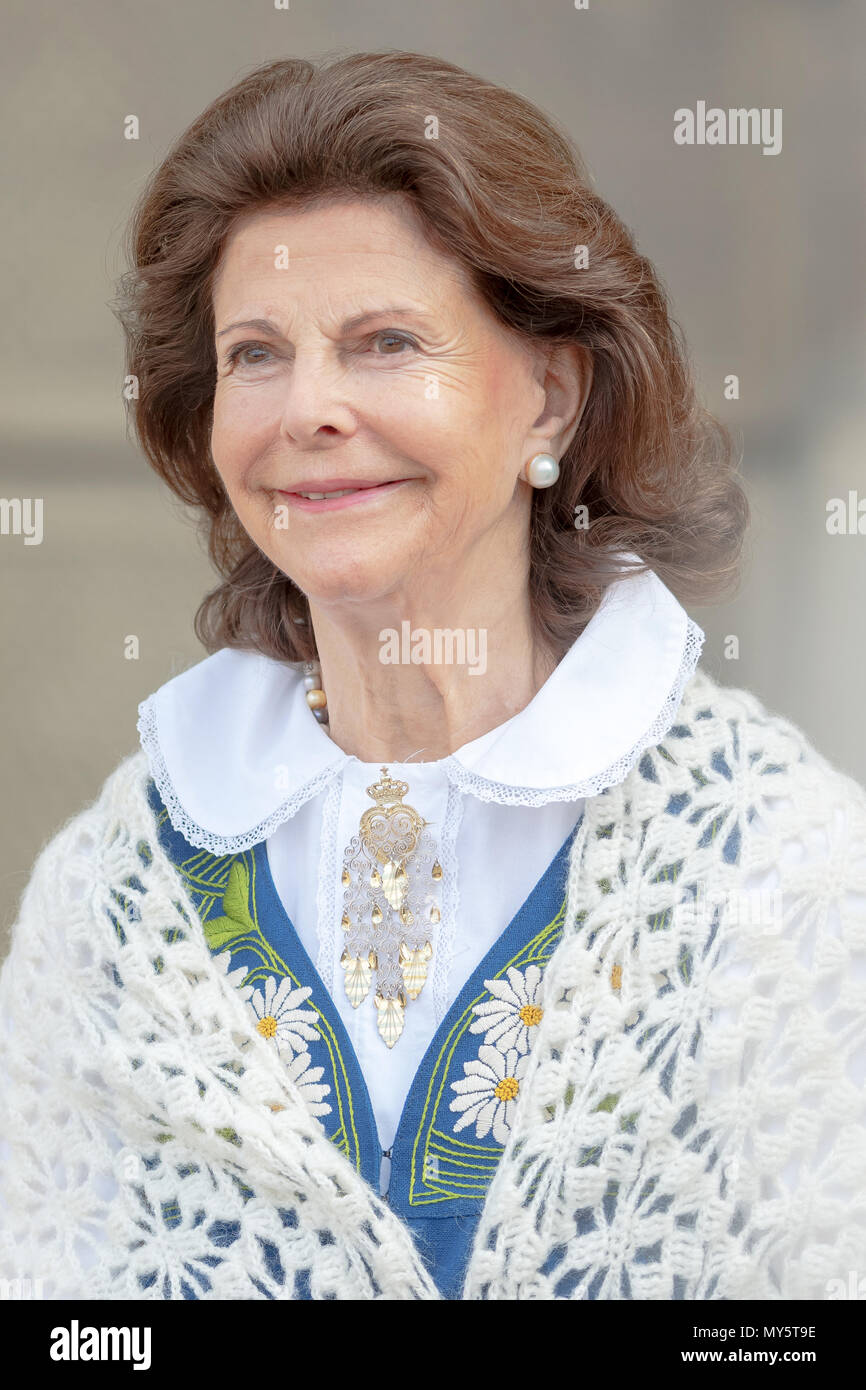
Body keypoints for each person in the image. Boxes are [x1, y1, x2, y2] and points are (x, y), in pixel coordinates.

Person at [1, 50, 864, 1302]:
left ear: (550, 400)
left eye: (385, 341)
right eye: (254, 354)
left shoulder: (786, 869)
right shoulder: (109, 897)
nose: (308, 409)